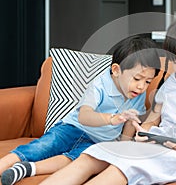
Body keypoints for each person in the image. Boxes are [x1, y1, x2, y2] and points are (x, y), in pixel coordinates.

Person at [40, 18, 176, 185]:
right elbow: (152, 120)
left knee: (120, 168)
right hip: (158, 143)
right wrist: (145, 131)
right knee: (90, 156)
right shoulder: (170, 83)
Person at [0, 35, 161, 185]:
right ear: (116, 70)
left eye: (148, 81)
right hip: (73, 128)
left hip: (98, 141)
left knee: (75, 160)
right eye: (137, 78)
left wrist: (123, 147)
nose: (141, 86)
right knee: (43, 146)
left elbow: (131, 122)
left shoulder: (138, 93)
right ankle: (6, 162)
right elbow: (85, 116)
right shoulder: (100, 85)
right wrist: (112, 119)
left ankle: (27, 169)